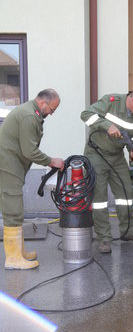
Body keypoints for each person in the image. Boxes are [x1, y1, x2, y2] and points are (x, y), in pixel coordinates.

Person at [81, 86, 133, 254]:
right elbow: (86, 115)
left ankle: (128, 231)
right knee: (99, 199)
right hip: (97, 153)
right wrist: (106, 125)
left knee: (126, 194)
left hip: (117, 156)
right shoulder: (111, 101)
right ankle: (104, 238)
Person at [0, 88, 64, 269]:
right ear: (43, 103)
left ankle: (18, 252)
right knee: (13, 209)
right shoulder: (29, 116)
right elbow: (29, 151)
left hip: (11, 163)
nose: (51, 113)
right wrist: (51, 161)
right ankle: (13, 259)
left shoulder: (30, 112)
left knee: (15, 209)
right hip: (8, 163)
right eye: (52, 109)